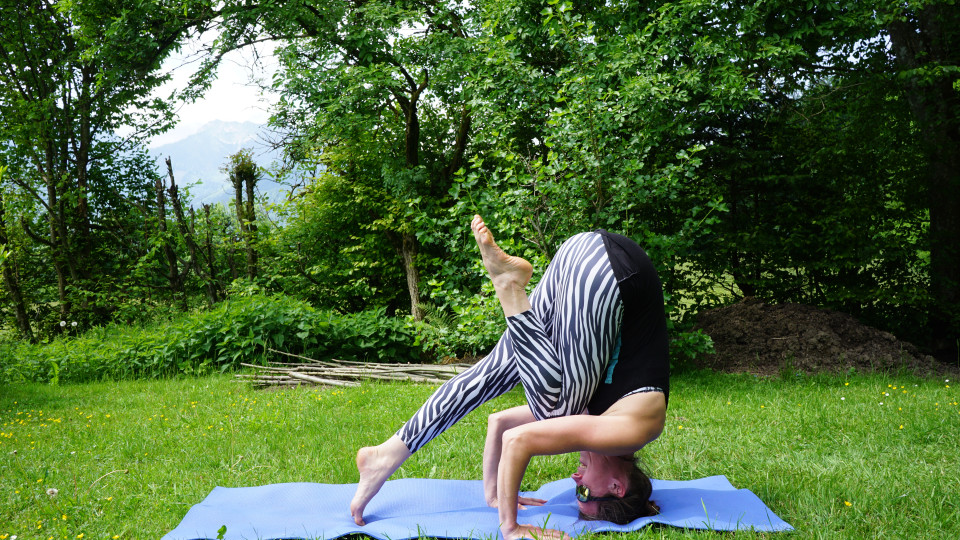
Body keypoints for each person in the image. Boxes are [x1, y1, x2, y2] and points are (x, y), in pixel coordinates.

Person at [350, 215, 669, 540]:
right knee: (556, 411)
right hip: (613, 272)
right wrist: (511, 526)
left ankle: (385, 455)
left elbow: (502, 423)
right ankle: (509, 286)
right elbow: (519, 440)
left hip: (578, 258)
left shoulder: (601, 419)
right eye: (585, 494)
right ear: (617, 487)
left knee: (491, 375)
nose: (575, 480)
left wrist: (493, 494)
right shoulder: (631, 431)